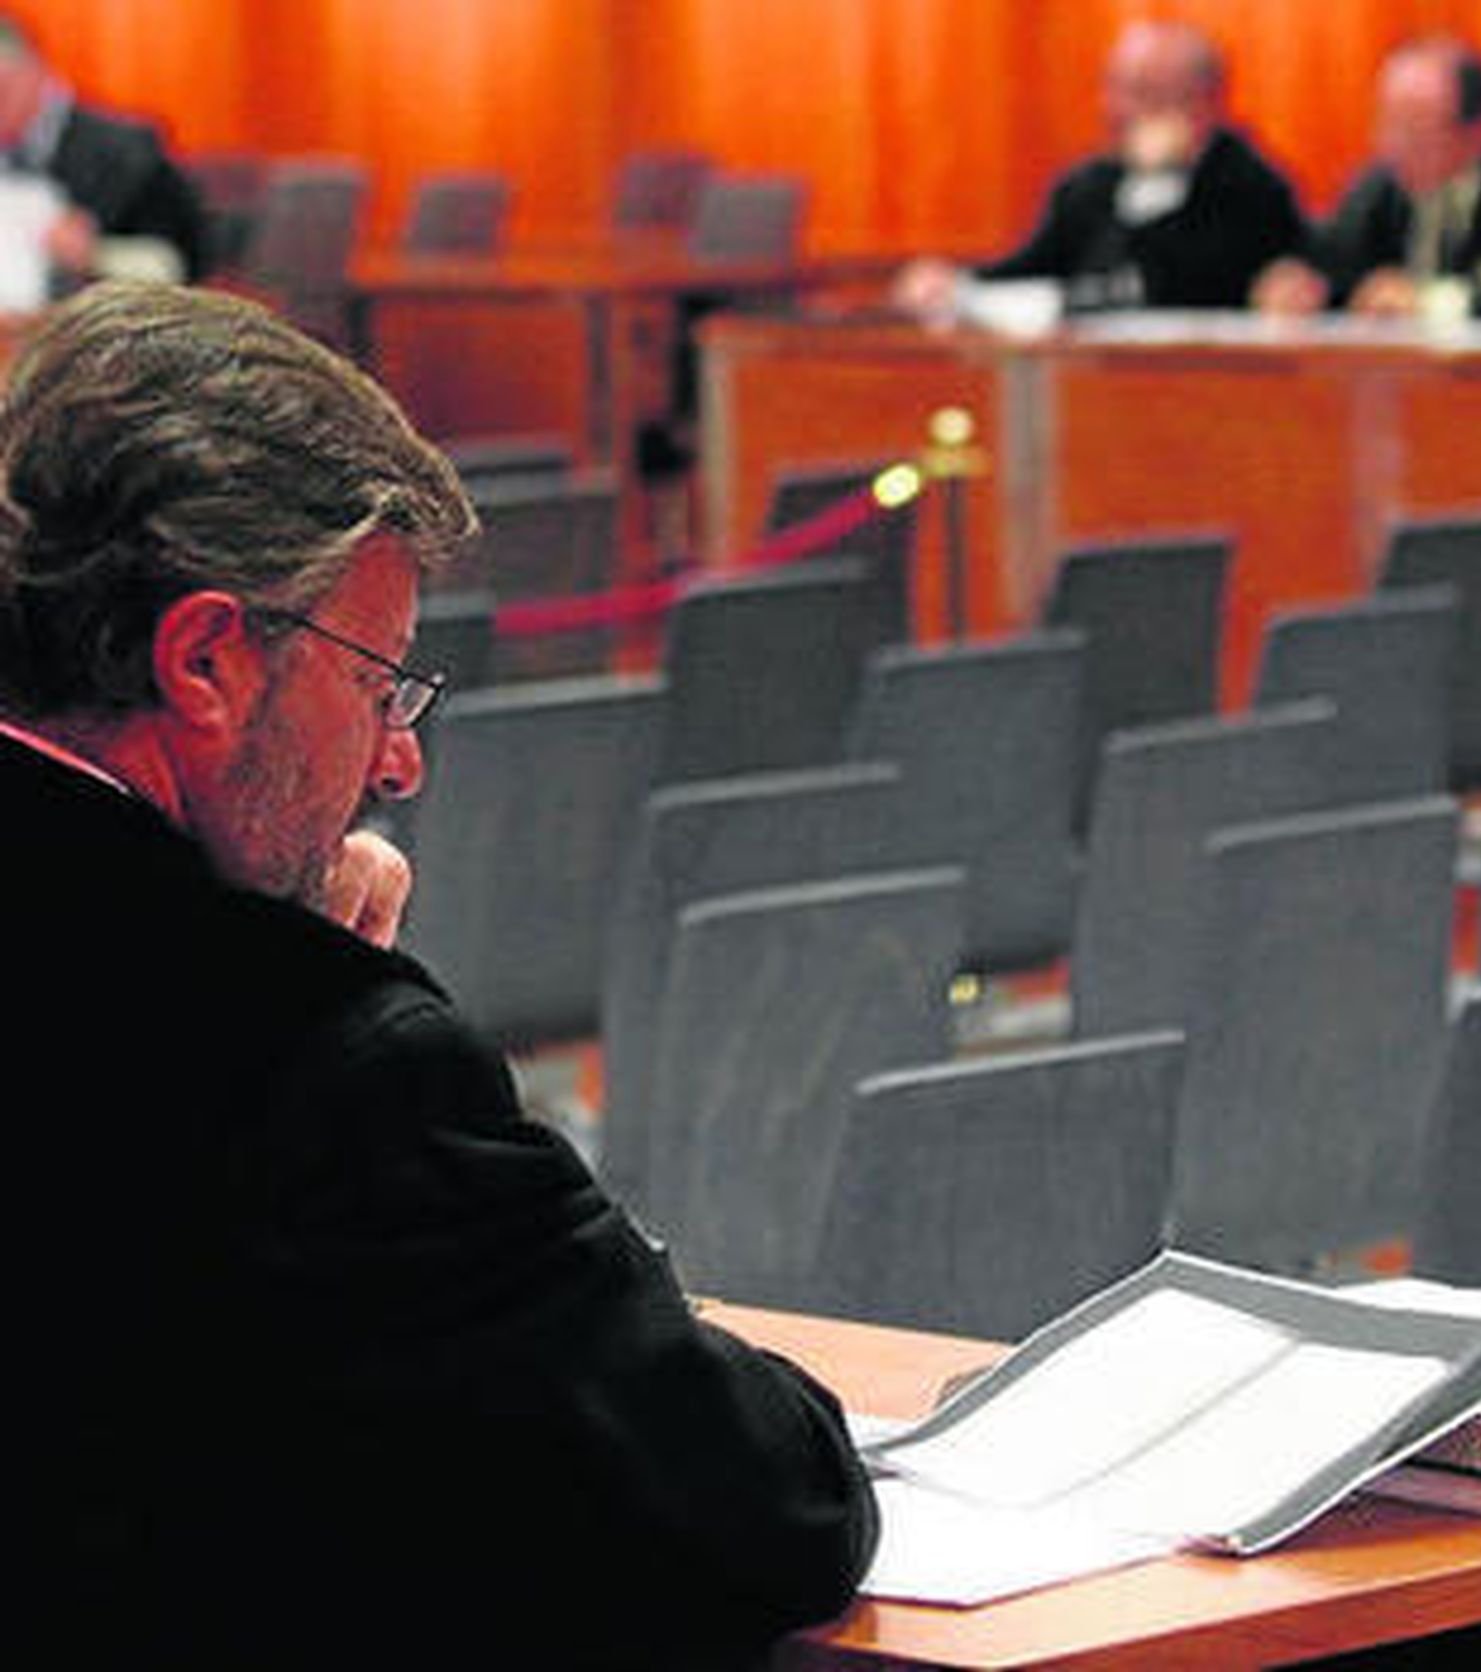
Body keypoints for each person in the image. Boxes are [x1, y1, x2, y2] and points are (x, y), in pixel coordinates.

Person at [0, 281, 877, 1670]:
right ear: (207, 659)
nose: (398, 761)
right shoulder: (319, 1058)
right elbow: (771, 1501)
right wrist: (332, 1011)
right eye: (375, 680)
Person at [893, 20, 1306, 321]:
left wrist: (1156, 184)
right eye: (1114, 88)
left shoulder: (1253, 187)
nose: (1116, 109)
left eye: (1142, 92)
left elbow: (1171, 288)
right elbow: (1034, 269)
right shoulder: (1088, 184)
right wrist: (955, 283)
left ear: (1202, 106)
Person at [1253, 35, 1481, 321]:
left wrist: (1428, 303)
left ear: (1479, 131)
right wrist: (1300, 284)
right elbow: (1333, 263)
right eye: (1385, 122)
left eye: (1414, 128)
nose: (1389, 144)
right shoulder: (1380, 186)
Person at [0, 12, 209, 286]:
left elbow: (184, 262)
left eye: (3, 90)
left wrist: (96, 253)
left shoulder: (130, 150)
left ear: (35, 71)